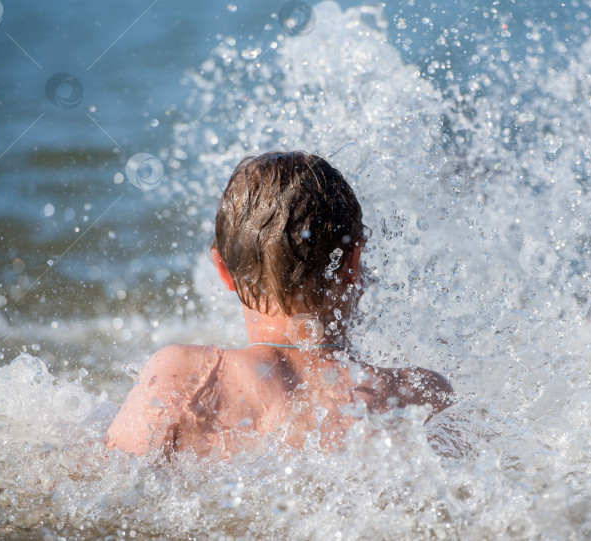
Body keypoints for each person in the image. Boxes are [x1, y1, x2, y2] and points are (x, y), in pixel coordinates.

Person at [105, 151, 453, 459]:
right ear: (353, 262)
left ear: (223, 271)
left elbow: (107, 479)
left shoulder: (184, 376)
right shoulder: (417, 397)